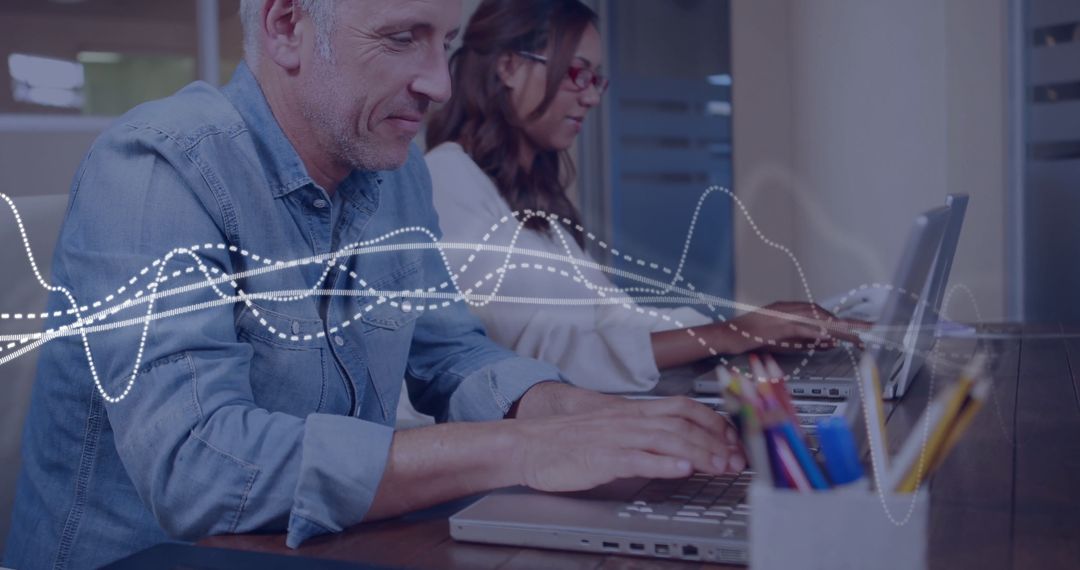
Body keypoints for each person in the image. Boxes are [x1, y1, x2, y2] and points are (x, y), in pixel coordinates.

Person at [2, 1, 744, 568]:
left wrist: (575, 411)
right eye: (401, 38)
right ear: (287, 25)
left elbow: (450, 353)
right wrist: (524, 447)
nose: (439, 83)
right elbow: (198, 469)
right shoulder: (157, 169)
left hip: (318, 549)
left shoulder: (395, 170)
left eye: (446, 42)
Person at [426, 0, 864, 393]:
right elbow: (543, 356)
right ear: (509, 67)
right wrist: (731, 335)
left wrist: (754, 330)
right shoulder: (446, 179)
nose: (592, 97)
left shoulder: (536, 206)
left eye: (597, 79)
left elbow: (617, 319)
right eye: (577, 73)